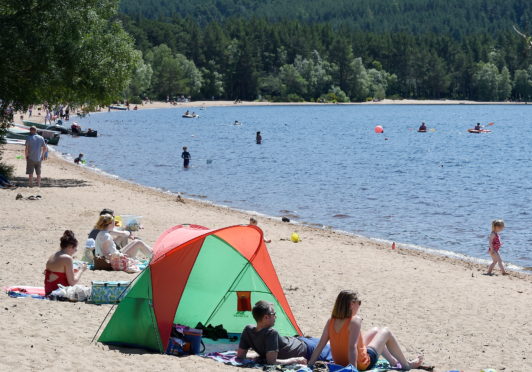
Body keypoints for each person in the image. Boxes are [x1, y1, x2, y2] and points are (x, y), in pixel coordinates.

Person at [308, 290, 423, 371]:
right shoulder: (355, 320)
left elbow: (320, 345)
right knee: (386, 331)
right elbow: (352, 347)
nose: (359, 306)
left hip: (339, 362)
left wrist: (310, 364)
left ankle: (393, 362)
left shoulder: (331, 321)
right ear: (351, 304)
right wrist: (352, 369)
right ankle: (406, 365)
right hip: (361, 364)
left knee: (375, 330)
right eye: (359, 303)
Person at [237, 300, 332, 365]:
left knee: (325, 344)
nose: (275, 317)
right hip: (307, 350)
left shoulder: (248, 330)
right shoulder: (271, 333)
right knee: (331, 349)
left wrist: (258, 356)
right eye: (274, 314)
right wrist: (295, 360)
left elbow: (241, 356)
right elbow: (272, 362)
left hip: (299, 342)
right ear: (266, 317)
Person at [44, 230, 87, 295]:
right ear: (70, 247)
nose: (76, 250)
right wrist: (81, 270)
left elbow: (51, 273)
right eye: (75, 248)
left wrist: (73, 271)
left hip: (48, 291)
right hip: (59, 292)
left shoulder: (53, 255)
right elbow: (72, 282)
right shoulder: (67, 258)